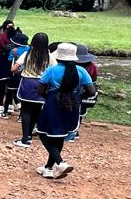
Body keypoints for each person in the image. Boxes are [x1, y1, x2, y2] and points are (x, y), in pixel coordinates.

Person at [35, 43, 96, 178]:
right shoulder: (81, 71)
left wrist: (49, 98)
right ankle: (49, 168)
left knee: (43, 133)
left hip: (53, 103)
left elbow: (41, 90)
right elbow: (91, 91)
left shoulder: (51, 70)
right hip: (72, 105)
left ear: (58, 57)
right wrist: (78, 97)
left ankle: (60, 162)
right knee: (60, 135)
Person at [13, 31, 48, 147]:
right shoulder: (49, 56)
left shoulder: (28, 54)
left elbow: (14, 69)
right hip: (42, 84)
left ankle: (25, 138)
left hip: (27, 84)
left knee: (26, 111)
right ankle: (30, 135)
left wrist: (21, 71)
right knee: (37, 111)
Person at [70, 44, 100, 141]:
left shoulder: (72, 66)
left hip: (74, 91)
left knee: (71, 111)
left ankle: (71, 130)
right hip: (87, 92)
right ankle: (75, 131)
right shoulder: (92, 67)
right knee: (81, 113)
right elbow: (94, 79)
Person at [0, 20, 16, 117]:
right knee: (11, 86)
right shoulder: (16, 38)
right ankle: (10, 105)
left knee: (2, 85)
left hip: (2, 63)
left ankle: (1, 105)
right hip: (13, 64)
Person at [4, 31, 29, 115]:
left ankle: (5, 111)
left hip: (15, 74)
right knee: (23, 95)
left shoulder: (14, 50)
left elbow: (9, 60)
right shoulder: (30, 50)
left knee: (9, 92)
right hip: (25, 74)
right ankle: (21, 116)